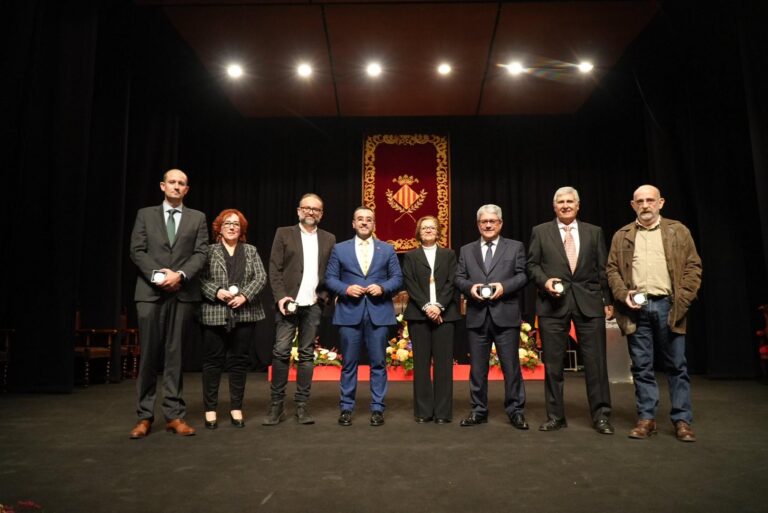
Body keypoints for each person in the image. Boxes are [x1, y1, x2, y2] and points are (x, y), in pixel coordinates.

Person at [606, 184, 702, 442]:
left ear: (661, 203)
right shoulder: (622, 235)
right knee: (641, 366)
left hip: (669, 306)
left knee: (676, 365)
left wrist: (682, 300)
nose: (645, 205)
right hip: (636, 309)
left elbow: (694, 267)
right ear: (633, 205)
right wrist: (622, 294)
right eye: (640, 201)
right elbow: (612, 270)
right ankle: (647, 418)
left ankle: (682, 420)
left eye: (650, 200)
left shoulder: (677, 231)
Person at [527, 186, 614, 434]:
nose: (565, 205)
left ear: (578, 205)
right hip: (552, 305)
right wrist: (545, 282)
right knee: (553, 365)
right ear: (554, 207)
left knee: (596, 363)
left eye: (570, 202)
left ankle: (601, 416)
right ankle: (556, 416)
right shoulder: (540, 232)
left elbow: (602, 269)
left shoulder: (594, 232)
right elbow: (531, 265)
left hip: (589, 303)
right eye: (560, 202)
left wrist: (607, 300)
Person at [128, 169, 208, 439]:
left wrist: (180, 275)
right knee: (149, 355)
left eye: (181, 183)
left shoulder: (197, 218)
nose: (176, 186)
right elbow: (137, 251)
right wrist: (159, 275)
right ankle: (144, 416)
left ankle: (174, 415)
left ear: (187, 190)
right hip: (150, 294)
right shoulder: (145, 214)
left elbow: (201, 253)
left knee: (175, 357)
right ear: (163, 186)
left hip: (182, 293)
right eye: (172, 182)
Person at [325, 206, 403, 426]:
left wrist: (383, 287)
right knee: (349, 363)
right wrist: (346, 289)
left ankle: (377, 408)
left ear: (374, 224)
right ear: (353, 223)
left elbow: (397, 278)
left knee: (378, 363)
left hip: (378, 313)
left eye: (368, 220)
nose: (364, 223)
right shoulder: (340, 249)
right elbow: (330, 279)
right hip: (349, 312)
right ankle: (346, 408)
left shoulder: (387, 249)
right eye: (360, 219)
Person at [455, 204, 529, 428]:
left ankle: (515, 410)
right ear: (478, 224)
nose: (488, 225)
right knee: (477, 369)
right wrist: (471, 288)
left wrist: (504, 287)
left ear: (500, 224)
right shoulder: (467, 250)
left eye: (492, 221)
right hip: (477, 315)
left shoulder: (515, 247)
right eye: (483, 222)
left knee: (511, 367)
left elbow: (523, 275)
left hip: (505, 314)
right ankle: (478, 410)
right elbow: (458, 278)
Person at [264, 193, 336, 425]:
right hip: (287, 304)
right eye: (307, 208)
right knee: (281, 352)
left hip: (313, 305)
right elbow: (274, 269)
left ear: (321, 214)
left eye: (316, 209)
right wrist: (280, 298)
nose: (310, 212)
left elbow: (331, 272)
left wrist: (324, 298)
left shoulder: (329, 239)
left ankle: (302, 406)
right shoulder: (284, 233)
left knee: (306, 355)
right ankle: (276, 406)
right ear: (298, 211)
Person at [199, 209, 266, 429]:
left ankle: (236, 407)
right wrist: (217, 291)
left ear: (241, 229)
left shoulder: (251, 250)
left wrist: (245, 295)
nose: (231, 227)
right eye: (227, 223)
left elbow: (261, 277)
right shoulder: (208, 251)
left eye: (236, 224)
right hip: (215, 312)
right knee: (212, 362)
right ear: (219, 227)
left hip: (244, 312)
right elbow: (200, 278)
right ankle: (210, 409)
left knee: (238, 362)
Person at [402, 216, 461, 424]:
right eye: (424, 227)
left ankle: (443, 412)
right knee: (421, 364)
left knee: (444, 365)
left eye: (432, 227)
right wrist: (427, 306)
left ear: (438, 231)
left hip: (445, 315)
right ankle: (423, 411)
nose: (428, 230)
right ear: (419, 231)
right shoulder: (410, 256)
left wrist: (439, 306)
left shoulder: (449, 255)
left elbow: (452, 282)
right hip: (419, 315)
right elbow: (410, 283)